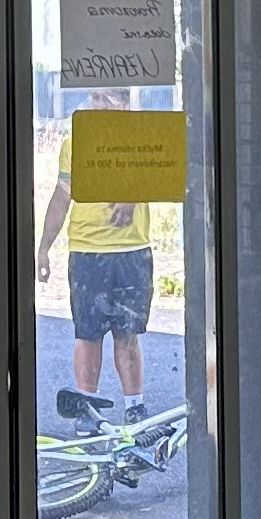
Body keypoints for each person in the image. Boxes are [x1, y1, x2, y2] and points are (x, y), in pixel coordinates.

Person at [34, 134, 161, 426]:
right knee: (87, 334)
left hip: (132, 249)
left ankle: (135, 408)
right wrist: (43, 248)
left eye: (106, 101)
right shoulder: (76, 139)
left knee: (127, 334)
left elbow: (164, 175)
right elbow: (62, 193)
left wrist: (133, 195)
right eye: (93, 101)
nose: (96, 107)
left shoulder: (139, 134)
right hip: (87, 250)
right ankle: (87, 410)